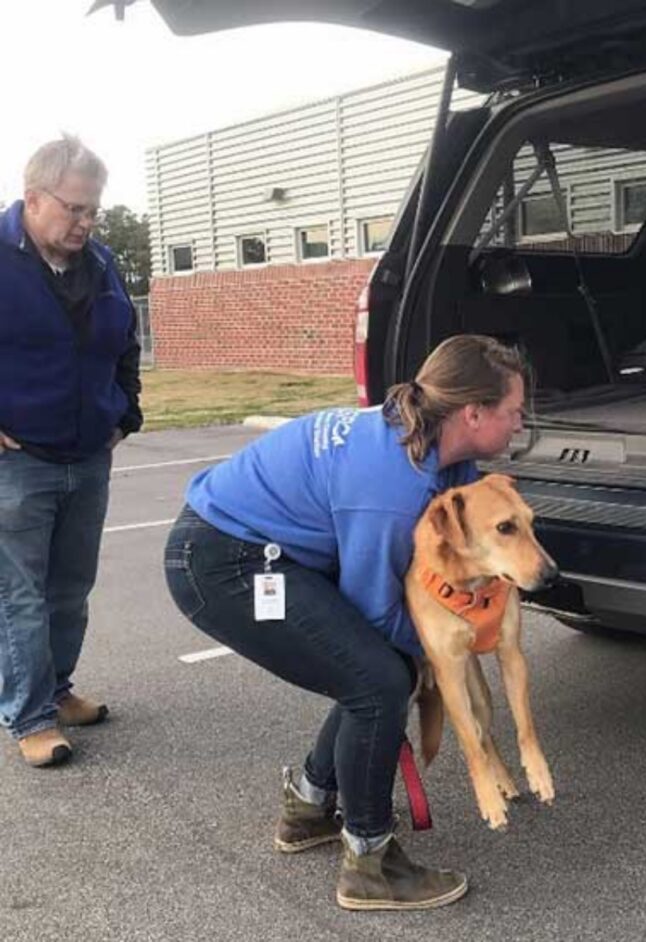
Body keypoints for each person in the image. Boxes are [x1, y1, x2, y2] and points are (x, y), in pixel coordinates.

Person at [163, 335, 527, 912]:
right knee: (378, 680)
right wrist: (438, 649)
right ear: (474, 413)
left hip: (264, 551)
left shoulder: (448, 458)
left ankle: (309, 805)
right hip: (221, 563)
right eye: (513, 413)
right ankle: (371, 863)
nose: (519, 425)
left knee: (377, 668)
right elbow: (373, 607)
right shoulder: (391, 484)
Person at [0, 136, 143, 768]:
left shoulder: (103, 265)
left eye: (94, 211)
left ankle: (56, 692)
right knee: (21, 595)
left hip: (88, 455)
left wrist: (127, 412)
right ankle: (29, 717)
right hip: (19, 460)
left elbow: (125, 346)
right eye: (75, 209)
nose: (87, 222)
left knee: (69, 589)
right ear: (33, 199)